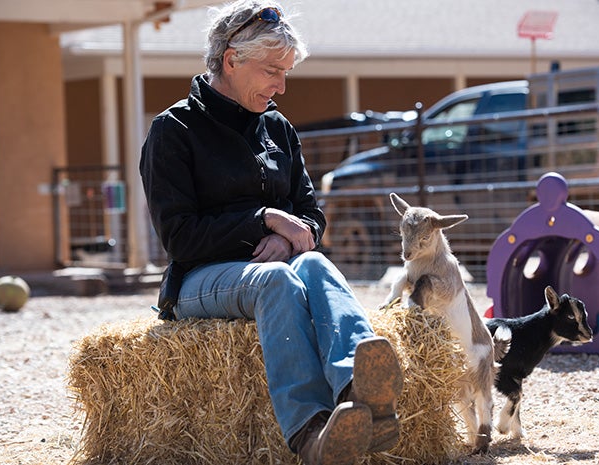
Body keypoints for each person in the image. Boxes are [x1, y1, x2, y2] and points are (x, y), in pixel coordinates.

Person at [139, 1, 403, 464]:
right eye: (271, 71)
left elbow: (310, 216)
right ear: (231, 60)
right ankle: (309, 434)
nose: (281, 86)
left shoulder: (277, 127)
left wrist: (287, 236)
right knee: (277, 280)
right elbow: (180, 238)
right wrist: (263, 219)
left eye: (285, 73)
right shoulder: (172, 130)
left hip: (275, 261)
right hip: (198, 279)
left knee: (315, 263)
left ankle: (363, 394)